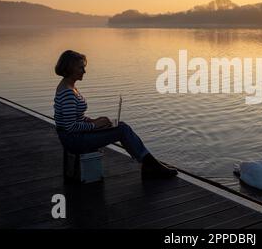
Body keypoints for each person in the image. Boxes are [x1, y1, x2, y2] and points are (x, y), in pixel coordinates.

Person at [54, 50, 177, 179]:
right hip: (74, 140)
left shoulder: (69, 86)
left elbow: (75, 117)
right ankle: (150, 165)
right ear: (70, 68)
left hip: (75, 136)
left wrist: (93, 120)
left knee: (121, 126)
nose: (84, 71)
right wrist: (95, 125)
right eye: (81, 67)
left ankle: (148, 164)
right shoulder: (67, 92)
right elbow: (70, 127)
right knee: (122, 130)